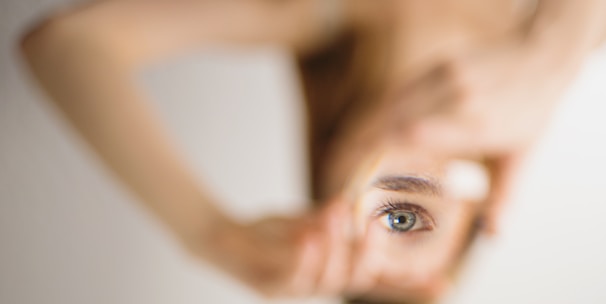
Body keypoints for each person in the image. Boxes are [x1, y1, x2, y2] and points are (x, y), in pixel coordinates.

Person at [20, 0, 606, 302]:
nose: (371, 226)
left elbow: (66, 42)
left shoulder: (314, 12)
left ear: (330, 160)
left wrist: (210, 234)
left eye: (349, 236)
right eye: (404, 221)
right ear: (490, 186)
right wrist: (553, 53)